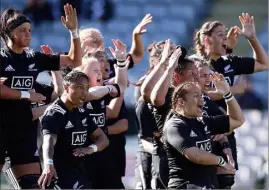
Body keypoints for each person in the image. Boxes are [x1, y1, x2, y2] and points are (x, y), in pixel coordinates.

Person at [0, 4, 81, 188]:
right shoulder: (2, 59)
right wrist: (24, 94)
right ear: (10, 33)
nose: (28, 34)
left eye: (29, 30)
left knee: (32, 185)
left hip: (24, 132)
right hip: (2, 128)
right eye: (23, 31)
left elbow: (74, 61)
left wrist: (74, 32)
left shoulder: (33, 59)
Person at [193, 13, 268, 188]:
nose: (225, 37)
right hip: (201, 131)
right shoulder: (195, 64)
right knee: (203, 182)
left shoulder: (229, 62)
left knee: (226, 182)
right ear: (206, 40)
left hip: (225, 131)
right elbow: (198, 93)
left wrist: (252, 38)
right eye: (220, 34)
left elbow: (264, 64)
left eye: (225, 33)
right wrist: (232, 90)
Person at [163, 72, 245, 189]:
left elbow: (238, 120)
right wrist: (221, 161)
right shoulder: (175, 126)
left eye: (201, 95)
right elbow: (196, 155)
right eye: (196, 95)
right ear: (181, 102)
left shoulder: (204, 121)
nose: (202, 99)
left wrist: (227, 94)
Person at [38, 70, 109, 189]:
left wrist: (90, 149)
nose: (84, 93)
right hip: (58, 175)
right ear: (66, 87)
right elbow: (49, 141)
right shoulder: (54, 113)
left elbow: (104, 139)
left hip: (79, 173)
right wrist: (48, 164)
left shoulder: (82, 113)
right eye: (80, 87)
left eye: (87, 88)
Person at [141, 40, 197, 188]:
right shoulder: (165, 93)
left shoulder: (198, 95)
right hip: (166, 156)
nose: (196, 78)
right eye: (192, 74)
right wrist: (167, 64)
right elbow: (148, 94)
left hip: (192, 157)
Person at [193, 59, 236, 188]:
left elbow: (231, 122)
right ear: (193, 76)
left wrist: (228, 152)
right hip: (191, 166)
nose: (208, 80)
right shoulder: (181, 101)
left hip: (209, 164)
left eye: (209, 75)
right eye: (203, 75)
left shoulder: (207, 101)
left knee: (226, 181)